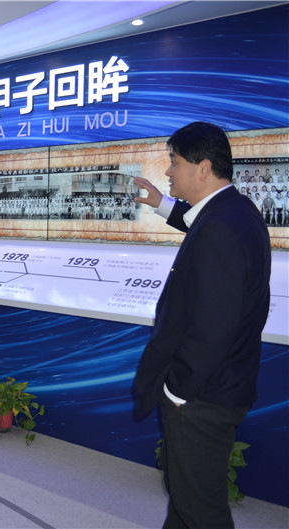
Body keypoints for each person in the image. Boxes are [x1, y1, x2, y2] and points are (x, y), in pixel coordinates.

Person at [132, 122, 271, 529]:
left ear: (204, 167)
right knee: (185, 499)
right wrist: (161, 203)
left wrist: (178, 391)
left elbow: (214, 327)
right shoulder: (234, 212)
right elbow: (199, 225)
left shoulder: (221, 228)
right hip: (218, 387)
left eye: (174, 162)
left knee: (201, 510)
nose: (168, 171)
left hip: (201, 398)